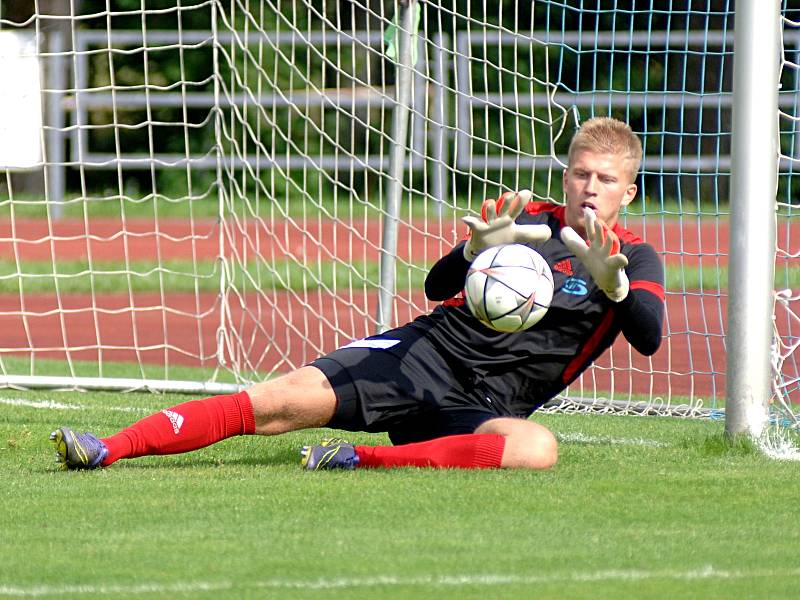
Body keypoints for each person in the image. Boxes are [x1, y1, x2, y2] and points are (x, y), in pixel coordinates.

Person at [50, 116, 664, 472]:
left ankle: (353, 460)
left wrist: (614, 286)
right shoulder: (527, 217)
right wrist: (474, 251)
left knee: (537, 448)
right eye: (580, 172)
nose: (589, 187)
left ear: (626, 191)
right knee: (277, 401)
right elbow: (435, 287)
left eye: (605, 179)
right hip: (423, 355)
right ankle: (108, 447)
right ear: (566, 173)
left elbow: (650, 337)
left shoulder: (632, 257)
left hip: (487, 403)